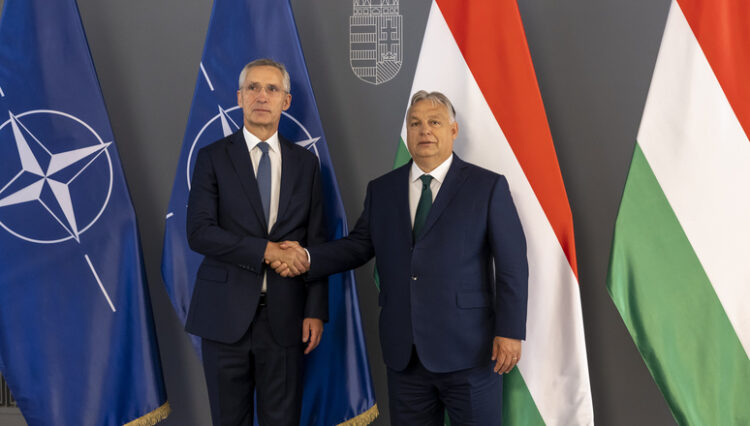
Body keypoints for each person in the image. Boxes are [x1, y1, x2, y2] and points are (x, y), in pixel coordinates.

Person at [275, 90, 528, 425]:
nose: (424, 130)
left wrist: (510, 331)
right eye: (415, 123)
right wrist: (306, 257)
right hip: (405, 354)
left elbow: (512, 265)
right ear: (406, 132)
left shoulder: (487, 187)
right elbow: (358, 245)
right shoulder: (382, 190)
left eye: (434, 122)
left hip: (470, 350)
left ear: (453, 130)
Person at [185, 58, 327, 426]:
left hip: (286, 316)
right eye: (253, 88)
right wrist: (266, 251)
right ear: (239, 97)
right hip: (223, 316)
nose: (262, 96)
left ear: (286, 101)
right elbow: (200, 232)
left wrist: (315, 309)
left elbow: (317, 240)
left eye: (272, 89)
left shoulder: (307, 164)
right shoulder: (212, 157)